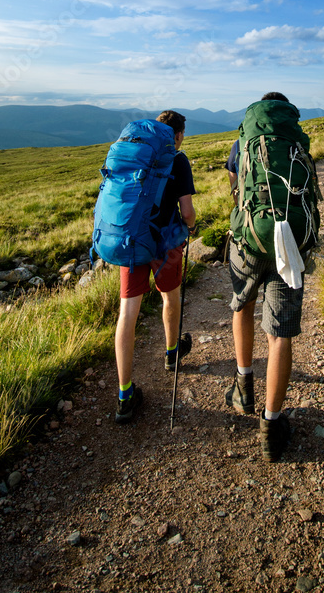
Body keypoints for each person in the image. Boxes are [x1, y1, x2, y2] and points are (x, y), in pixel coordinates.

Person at [225, 92, 317, 461]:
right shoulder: (298, 142)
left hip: (251, 238)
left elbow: (236, 187)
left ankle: (243, 385)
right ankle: (271, 424)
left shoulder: (243, 142)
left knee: (242, 306)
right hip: (290, 244)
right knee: (279, 335)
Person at [115, 110, 197, 424]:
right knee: (170, 297)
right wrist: (190, 225)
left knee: (128, 312)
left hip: (132, 241)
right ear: (177, 135)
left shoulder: (135, 154)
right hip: (164, 243)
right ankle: (172, 351)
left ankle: (124, 395)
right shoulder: (177, 160)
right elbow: (187, 211)